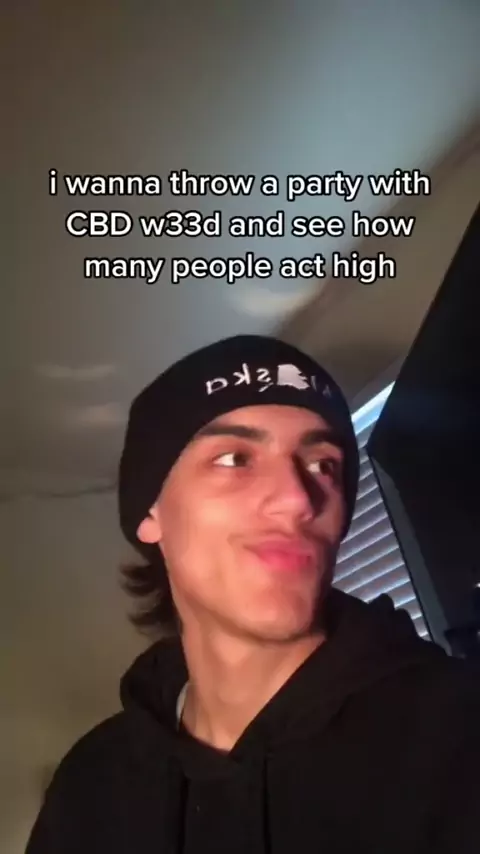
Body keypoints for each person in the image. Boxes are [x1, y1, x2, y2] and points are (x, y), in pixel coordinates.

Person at [26, 334, 480, 854]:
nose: (297, 499)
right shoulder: (90, 787)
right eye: (234, 459)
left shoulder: (459, 738)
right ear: (150, 512)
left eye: (323, 465)